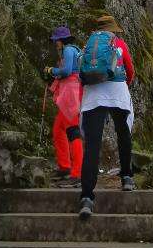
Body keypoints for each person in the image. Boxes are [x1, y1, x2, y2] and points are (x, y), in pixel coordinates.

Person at [78, 14, 135, 219]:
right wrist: (122, 84)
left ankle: (87, 197)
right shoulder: (120, 43)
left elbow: (81, 72)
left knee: (92, 146)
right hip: (118, 91)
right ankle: (127, 177)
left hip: (93, 95)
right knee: (123, 134)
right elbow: (130, 71)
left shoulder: (89, 45)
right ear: (113, 30)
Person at [44, 26, 83, 187]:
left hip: (70, 94)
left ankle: (77, 173)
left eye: (56, 40)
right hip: (73, 92)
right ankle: (65, 167)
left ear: (61, 40)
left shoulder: (68, 50)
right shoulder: (75, 50)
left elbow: (66, 71)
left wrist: (51, 70)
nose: (55, 44)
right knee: (58, 129)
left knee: (73, 132)